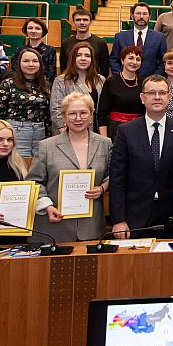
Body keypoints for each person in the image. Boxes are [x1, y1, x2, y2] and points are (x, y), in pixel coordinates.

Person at [109, 76, 173, 238]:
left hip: (171, 217)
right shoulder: (126, 131)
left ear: (169, 97)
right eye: (151, 93)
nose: (157, 97)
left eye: (162, 93)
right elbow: (117, 177)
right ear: (142, 98)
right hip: (134, 215)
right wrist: (119, 219)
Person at [28, 93, 112, 241]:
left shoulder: (105, 143)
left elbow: (113, 175)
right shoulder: (46, 146)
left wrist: (102, 188)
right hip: (55, 227)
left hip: (91, 227)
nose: (78, 118)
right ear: (64, 117)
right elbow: (33, 182)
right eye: (72, 113)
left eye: (83, 113)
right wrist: (47, 206)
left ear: (91, 115)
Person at [0, 47, 51, 157]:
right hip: (16, 132)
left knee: (38, 166)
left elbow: (47, 115)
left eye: (35, 61)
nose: (31, 64)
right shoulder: (8, 84)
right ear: (19, 63)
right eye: (26, 61)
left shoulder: (45, 84)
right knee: (18, 164)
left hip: (40, 132)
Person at [51, 41, 105, 133]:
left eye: (87, 56)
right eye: (78, 55)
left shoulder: (100, 80)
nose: (83, 58)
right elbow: (56, 110)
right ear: (73, 58)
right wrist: (67, 133)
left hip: (96, 131)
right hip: (69, 131)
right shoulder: (61, 81)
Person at [97, 45, 145, 139]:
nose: (134, 62)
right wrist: (104, 139)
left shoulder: (144, 83)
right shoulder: (110, 82)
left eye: (138, 59)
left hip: (138, 129)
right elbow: (102, 113)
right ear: (122, 60)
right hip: (115, 129)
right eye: (131, 58)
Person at [110, 2, 166, 79]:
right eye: (138, 13)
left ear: (149, 16)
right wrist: (121, 77)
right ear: (132, 16)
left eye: (145, 14)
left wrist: (154, 78)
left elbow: (163, 61)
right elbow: (114, 59)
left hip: (150, 82)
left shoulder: (159, 37)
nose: (141, 16)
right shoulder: (120, 37)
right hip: (125, 81)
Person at [60, 7, 109, 76]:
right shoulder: (66, 42)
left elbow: (104, 69)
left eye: (85, 20)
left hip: (93, 80)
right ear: (73, 22)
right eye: (78, 20)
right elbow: (63, 67)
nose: (82, 23)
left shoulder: (100, 42)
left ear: (90, 22)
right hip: (71, 80)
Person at [16, 17, 57, 83]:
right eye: (30, 28)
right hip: (21, 84)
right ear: (26, 30)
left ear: (43, 31)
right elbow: (15, 70)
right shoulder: (20, 50)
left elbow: (51, 74)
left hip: (42, 85)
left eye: (37, 28)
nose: (33, 31)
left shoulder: (50, 50)